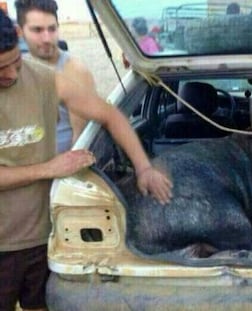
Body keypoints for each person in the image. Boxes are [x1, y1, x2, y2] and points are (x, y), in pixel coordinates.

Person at [0, 10, 172, 311]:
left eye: (15, 62)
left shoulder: (43, 79)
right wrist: (48, 169)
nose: (12, 75)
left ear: (16, 37)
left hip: (46, 238)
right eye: (0, 69)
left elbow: (110, 115)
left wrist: (144, 167)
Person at [15, 0, 94, 153]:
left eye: (52, 29)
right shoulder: (17, 68)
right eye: (37, 30)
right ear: (20, 31)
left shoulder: (74, 71)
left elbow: (82, 140)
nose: (47, 38)